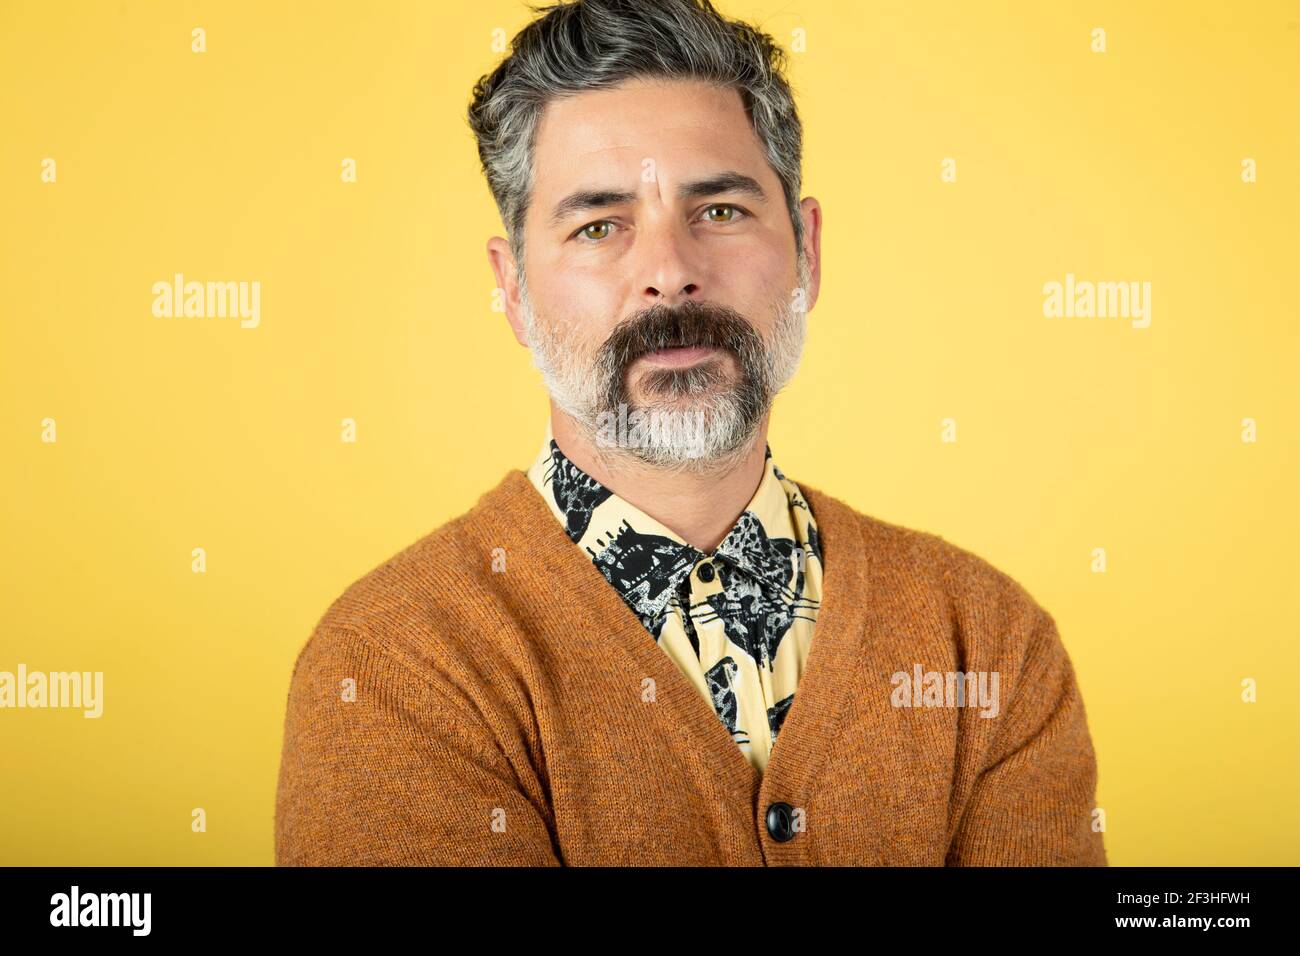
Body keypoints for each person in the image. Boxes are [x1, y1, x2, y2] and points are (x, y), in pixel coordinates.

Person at [274, 0, 1106, 866]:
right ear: (512, 290)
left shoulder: (988, 642)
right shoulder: (395, 667)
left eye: (719, 212)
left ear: (807, 252)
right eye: (599, 226)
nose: (670, 274)